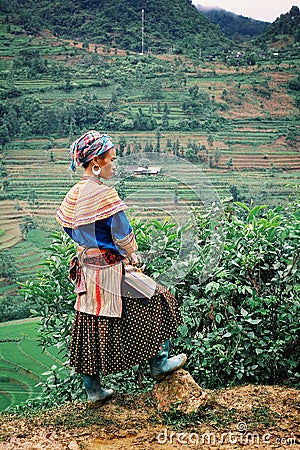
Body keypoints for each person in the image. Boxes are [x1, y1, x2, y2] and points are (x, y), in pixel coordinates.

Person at [56, 130, 186, 406]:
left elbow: (67, 226)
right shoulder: (105, 196)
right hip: (111, 268)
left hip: (86, 270)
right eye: (111, 160)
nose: (115, 165)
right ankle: (158, 364)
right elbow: (124, 235)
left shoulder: (73, 194)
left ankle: (93, 391)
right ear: (95, 164)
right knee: (159, 298)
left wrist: (88, 246)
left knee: (89, 322)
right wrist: (131, 254)